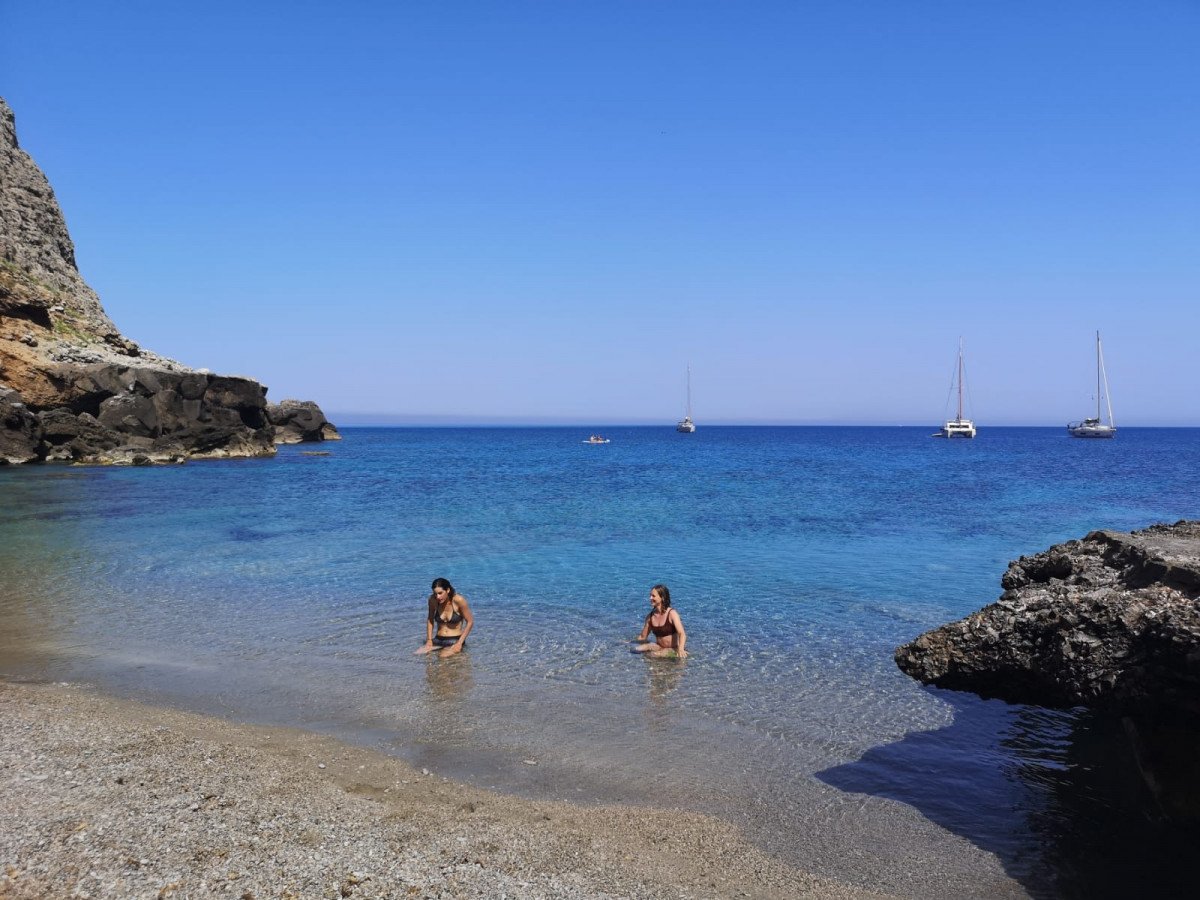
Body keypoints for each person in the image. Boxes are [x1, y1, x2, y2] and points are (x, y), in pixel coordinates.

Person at [415, 577, 473, 658]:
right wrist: (429, 640)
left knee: (442, 657)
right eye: (435, 594)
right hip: (438, 639)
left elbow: (470, 622)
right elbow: (430, 619)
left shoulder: (458, 600)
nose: (437, 597)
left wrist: (459, 643)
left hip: (454, 640)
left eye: (440, 593)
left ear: (448, 590)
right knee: (417, 654)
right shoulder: (432, 600)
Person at [632, 583, 688, 658]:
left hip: (673, 648)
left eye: (653, 596)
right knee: (635, 649)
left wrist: (681, 649)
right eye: (650, 595)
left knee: (652, 655)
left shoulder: (672, 614)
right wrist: (629, 642)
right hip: (659, 646)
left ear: (662, 598)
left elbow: (682, 634)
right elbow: (643, 637)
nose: (650, 598)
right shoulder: (650, 617)